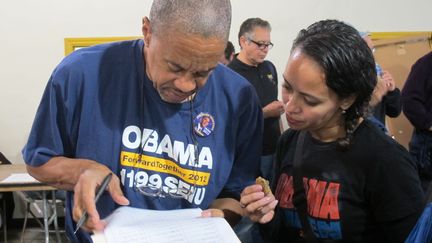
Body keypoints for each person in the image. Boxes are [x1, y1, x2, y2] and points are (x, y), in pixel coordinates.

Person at [21, 0, 263, 242]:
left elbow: (235, 193)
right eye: (175, 67)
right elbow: (38, 161)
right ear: (147, 32)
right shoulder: (80, 75)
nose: (186, 85)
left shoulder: (238, 99)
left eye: (203, 72)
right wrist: (82, 170)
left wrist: (223, 215)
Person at [240, 19, 424, 242]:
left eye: (309, 100)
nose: (290, 106)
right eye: (288, 87)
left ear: (346, 99)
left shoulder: (385, 160)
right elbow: (282, 232)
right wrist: (266, 216)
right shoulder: (289, 142)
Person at [228, 17, 284, 183]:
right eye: (260, 44)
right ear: (243, 41)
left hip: (273, 148)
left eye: (268, 44)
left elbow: (276, 110)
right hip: (246, 152)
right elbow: (229, 119)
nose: (265, 50)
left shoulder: (269, 68)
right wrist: (265, 113)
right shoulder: (229, 75)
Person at [402, 51, 432, 191]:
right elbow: (409, 100)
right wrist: (428, 123)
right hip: (427, 143)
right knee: (422, 197)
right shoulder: (426, 64)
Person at [361, 32, 402, 134]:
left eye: (372, 49)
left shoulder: (376, 70)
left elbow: (394, 111)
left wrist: (392, 91)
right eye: (367, 50)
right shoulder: (346, 78)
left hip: (378, 136)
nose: (372, 54)